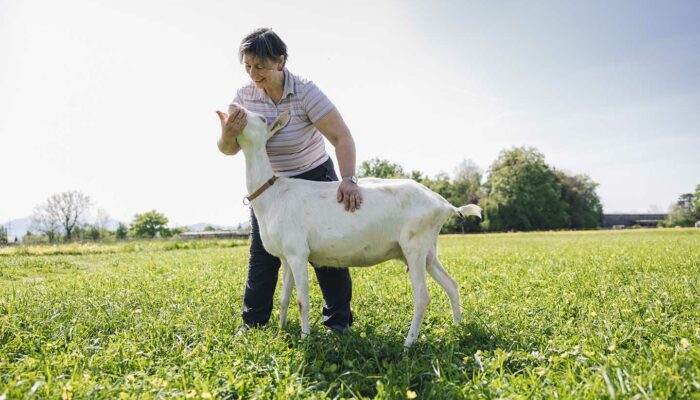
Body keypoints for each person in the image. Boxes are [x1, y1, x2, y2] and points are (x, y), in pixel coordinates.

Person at [216, 28, 362, 333]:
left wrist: (348, 179)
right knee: (263, 254)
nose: (254, 74)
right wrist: (229, 133)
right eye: (248, 66)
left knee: (327, 253)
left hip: (314, 177)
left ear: (280, 61)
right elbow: (228, 149)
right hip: (272, 187)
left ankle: (339, 322)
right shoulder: (243, 98)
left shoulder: (305, 92)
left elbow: (341, 137)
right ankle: (253, 323)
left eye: (261, 67)